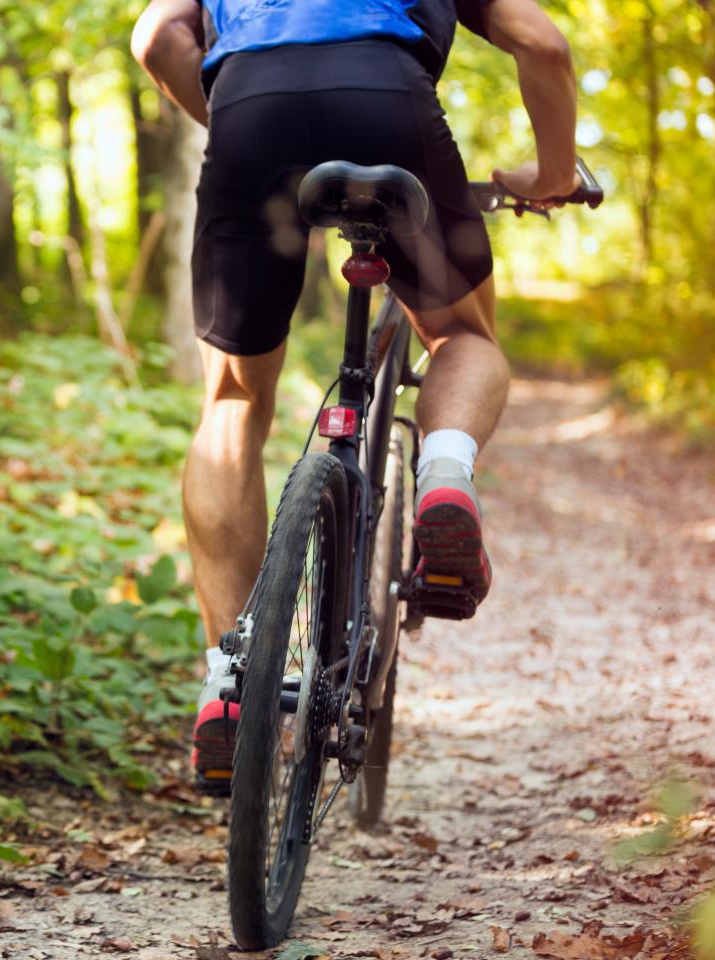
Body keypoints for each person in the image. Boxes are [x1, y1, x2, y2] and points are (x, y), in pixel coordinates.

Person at [130, 0, 579, 787]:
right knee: (462, 337)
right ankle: (444, 475)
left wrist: (243, 127)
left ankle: (230, 681)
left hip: (248, 111)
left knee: (232, 399)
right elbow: (542, 43)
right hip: (385, 108)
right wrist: (551, 176)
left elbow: (156, 37)